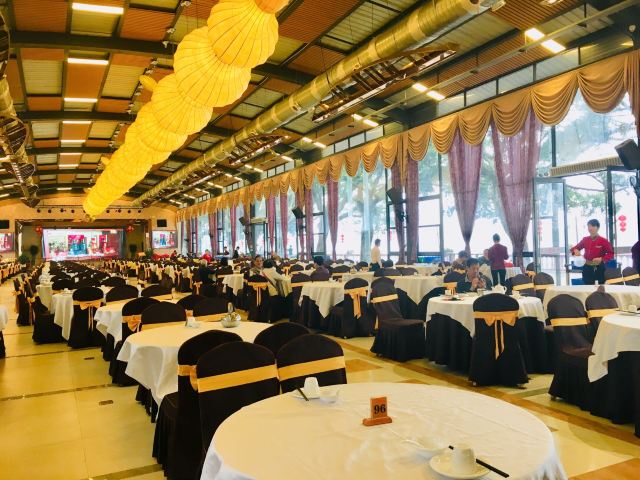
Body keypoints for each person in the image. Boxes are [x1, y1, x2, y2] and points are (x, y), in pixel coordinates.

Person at [571, 219, 614, 285]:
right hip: (587, 267)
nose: (590, 228)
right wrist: (575, 251)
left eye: (593, 226)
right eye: (589, 226)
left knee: (600, 286)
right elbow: (574, 249)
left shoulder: (604, 241)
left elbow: (611, 253)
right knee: (587, 286)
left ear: (598, 228)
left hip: (599, 268)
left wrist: (601, 259)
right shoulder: (585, 239)